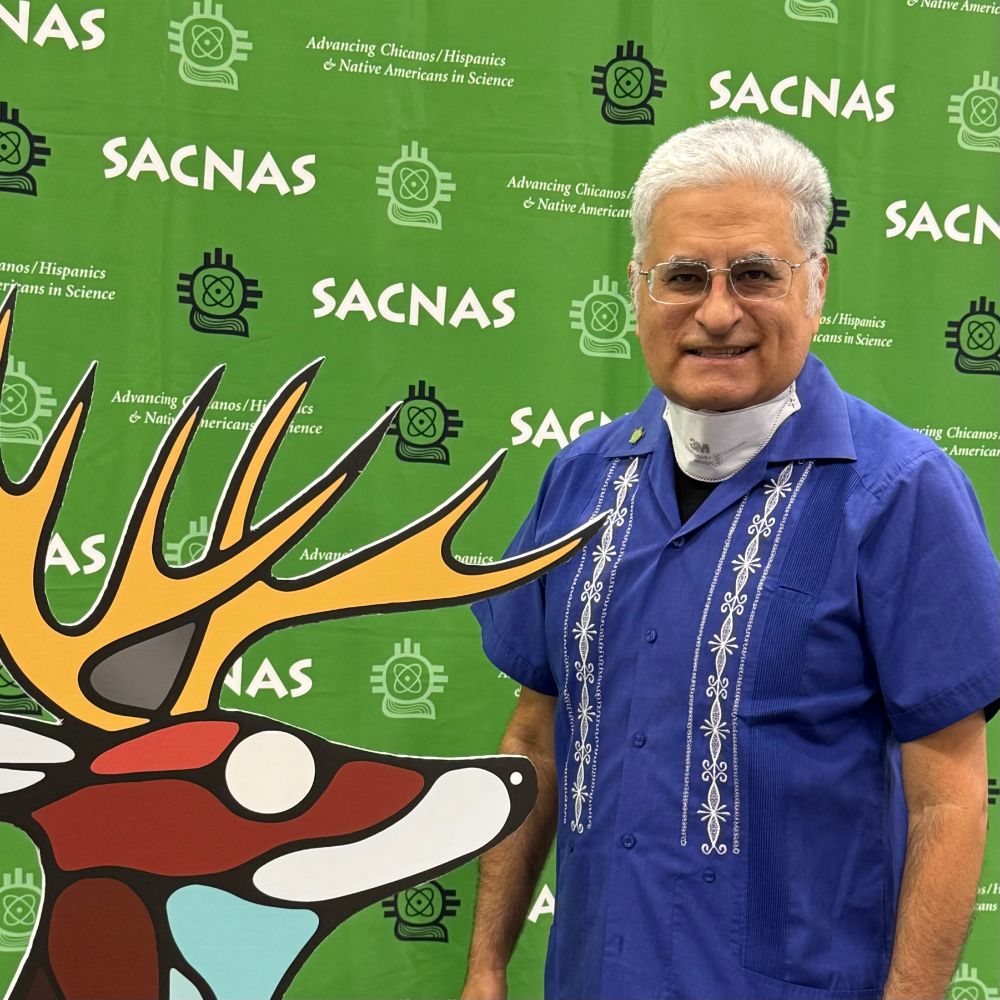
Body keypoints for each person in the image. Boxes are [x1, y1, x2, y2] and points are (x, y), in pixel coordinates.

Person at [460, 117, 999, 1000]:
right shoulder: (579, 480)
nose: (716, 312)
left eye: (754, 274)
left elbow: (947, 795)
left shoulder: (902, 492)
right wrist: (485, 968)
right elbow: (536, 738)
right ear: (638, 289)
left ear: (817, 284)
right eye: (682, 277)